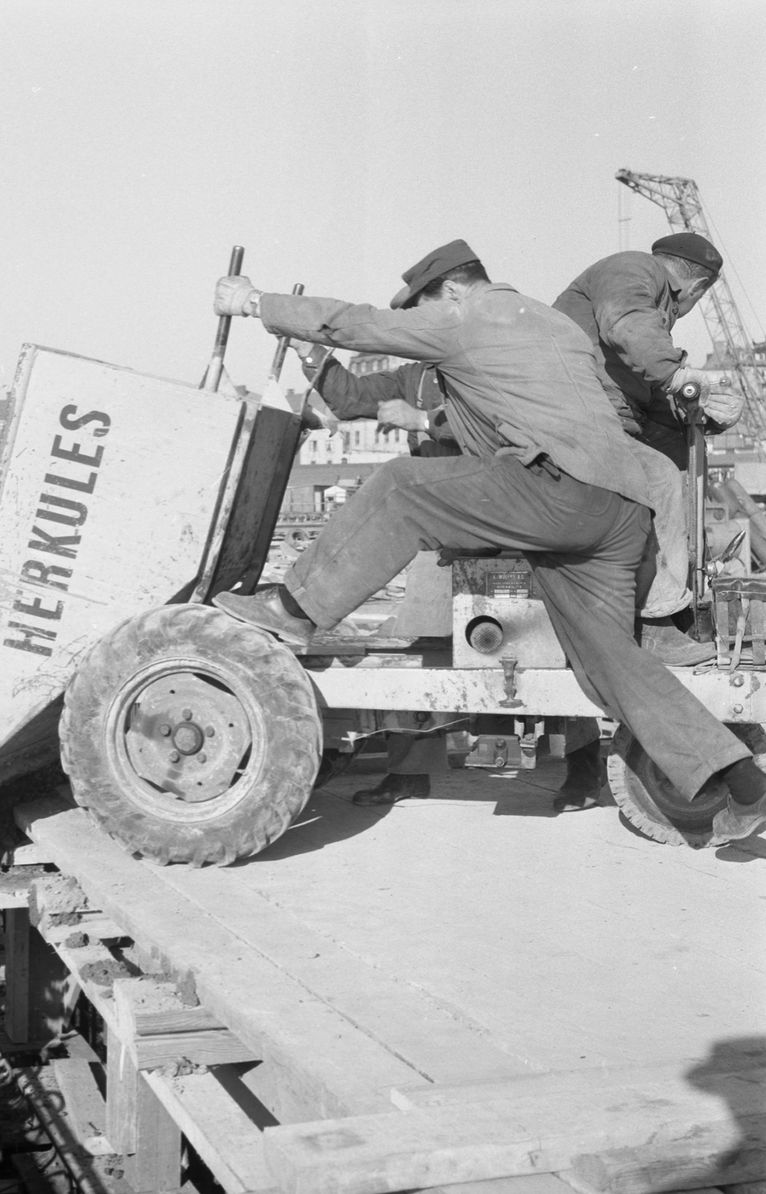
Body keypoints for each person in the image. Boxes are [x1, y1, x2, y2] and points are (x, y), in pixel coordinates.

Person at [210, 238, 766, 843]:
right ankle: (742, 781)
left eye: (423, 305)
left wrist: (255, 303)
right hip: (620, 510)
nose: (423, 318)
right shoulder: (552, 325)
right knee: (610, 663)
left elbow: (356, 323)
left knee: (401, 488)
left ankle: (293, 610)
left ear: (450, 289)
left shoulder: (467, 314)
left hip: (560, 493)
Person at [292, 329, 603, 811]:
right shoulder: (413, 376)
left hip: (511, 535)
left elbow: (509, 432)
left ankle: (583, 767)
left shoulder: (499, 371)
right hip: (442, 537)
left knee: (543, 652)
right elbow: (351, 397)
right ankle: (409, 771)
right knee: (414, 651)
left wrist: (422, 420)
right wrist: (310, 352)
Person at [553, 233, 744, 663]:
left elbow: (651, 396)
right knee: (658, 476)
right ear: (697, 288)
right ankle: (653, 625)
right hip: (572, 415)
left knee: (682, 459)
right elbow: (629, 324)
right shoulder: (634, 269)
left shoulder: (650, 301)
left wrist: (707, 412)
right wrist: (677, 374)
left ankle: (678, 603)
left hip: (605, 418)